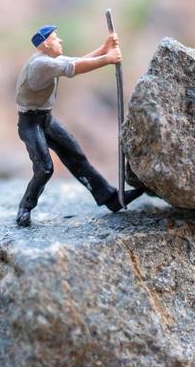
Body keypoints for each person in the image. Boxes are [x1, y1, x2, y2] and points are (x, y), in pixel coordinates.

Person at [14, 24, 140, 227]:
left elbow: (76, 61)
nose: (60, 41)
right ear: (46, 44)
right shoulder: (40, 64)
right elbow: (74, 68)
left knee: (76, 156)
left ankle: (111, 199)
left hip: (46, 119)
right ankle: (25, 207)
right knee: (44, 168)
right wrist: (107, 59)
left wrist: (104, 48)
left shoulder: (50, 60)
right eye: (56, 38)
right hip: (30, 123)